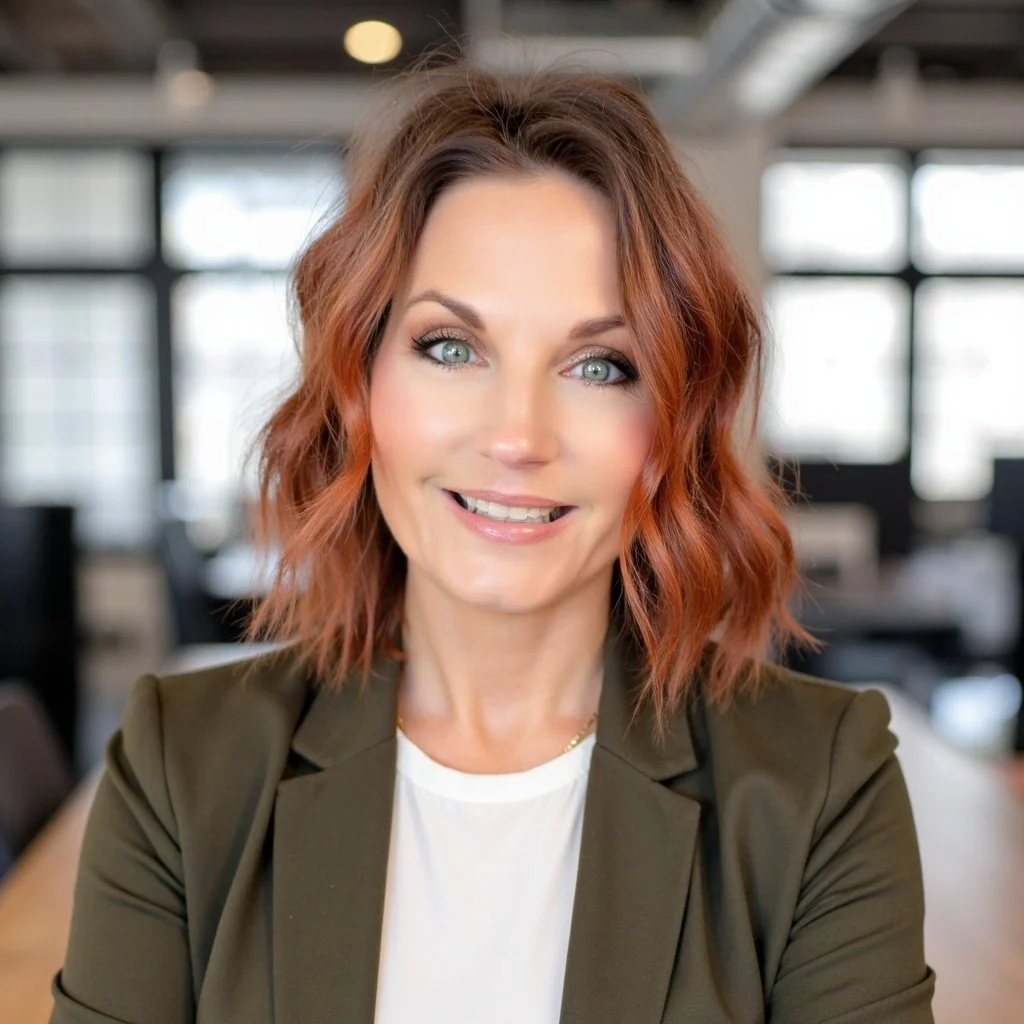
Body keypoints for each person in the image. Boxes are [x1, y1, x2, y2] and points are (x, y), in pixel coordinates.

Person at [51, 62, 935, 1023]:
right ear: (360, 379)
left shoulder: (820, 779)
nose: (518, 435)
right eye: (450, 348)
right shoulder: (183, 764)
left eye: (600, 364)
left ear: (673, 422)